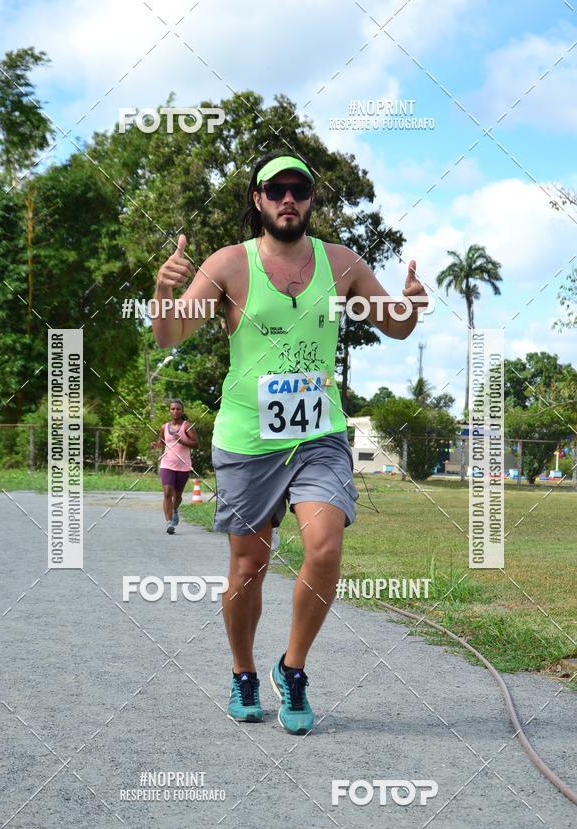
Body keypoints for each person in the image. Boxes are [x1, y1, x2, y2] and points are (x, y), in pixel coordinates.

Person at [152, 152, 428, 734]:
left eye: (297, 190)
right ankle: (244, 671)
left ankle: (293, 669)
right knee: (249, 565)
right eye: (274, 189)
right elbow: (170, 334)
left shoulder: (342, 263)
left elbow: (394, 322)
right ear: (257, 200)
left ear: (310, 200)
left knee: (324, 548)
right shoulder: (229, 265)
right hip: (248, 438)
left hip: (318, 434)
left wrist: (414, 304)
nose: (287, 199)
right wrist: (162, 290)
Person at [150, 399, 198, 534]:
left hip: (183, 465)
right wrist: (156, 445)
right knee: (167, 492)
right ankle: (168, 523)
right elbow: (162, 441)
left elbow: (196, 444)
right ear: (169, 411)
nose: (175, 411)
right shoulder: (164, 427)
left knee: (177, 495)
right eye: (173, 409)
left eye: (178, 409)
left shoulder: (187, 426)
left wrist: (182, 440)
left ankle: (175, 509)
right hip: (167, 463)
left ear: (182, 411)